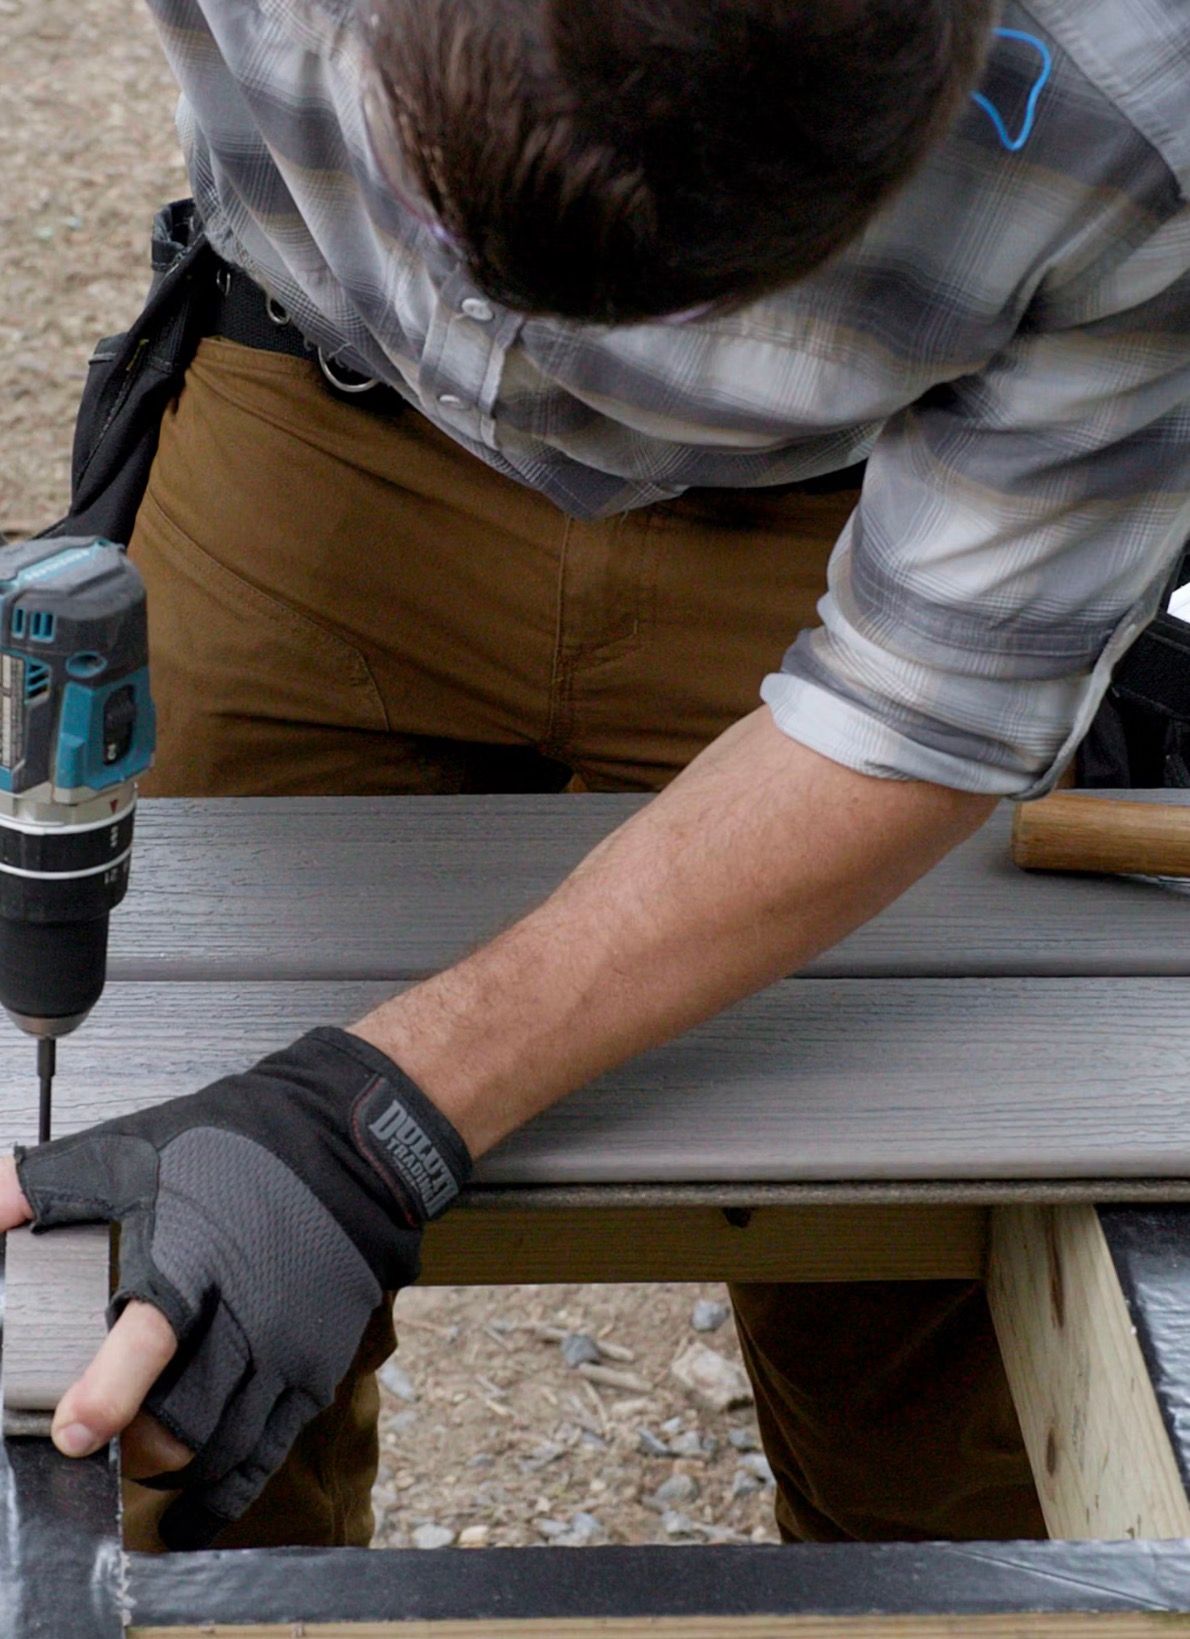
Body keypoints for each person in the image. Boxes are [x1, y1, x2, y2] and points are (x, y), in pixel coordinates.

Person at [1, 0, 1187, 1555]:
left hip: (850, 505)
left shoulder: (1144, 101)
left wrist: (377, 1123)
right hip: (323, 415)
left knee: (932, 1333)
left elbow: (922, 704)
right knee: (158, 1283)